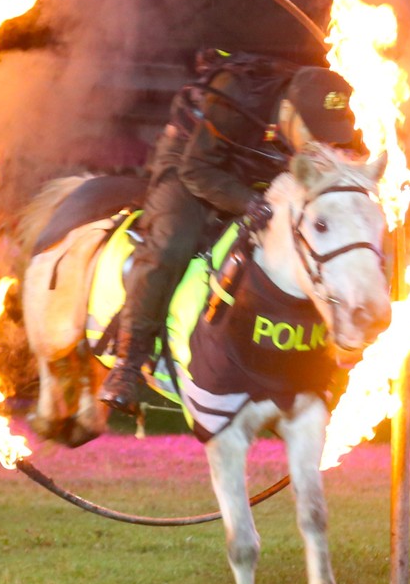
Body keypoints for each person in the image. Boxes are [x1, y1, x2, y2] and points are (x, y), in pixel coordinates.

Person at [100, 54, 361, 411]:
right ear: (288, 112)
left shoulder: (324, 126)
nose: (323, 145)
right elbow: (197, 170)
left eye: (330, 136)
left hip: (259, 173)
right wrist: (248, 203)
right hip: (193, 163)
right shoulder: (236, 95)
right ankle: (128, 362)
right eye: (315, 133)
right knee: (174, 240)